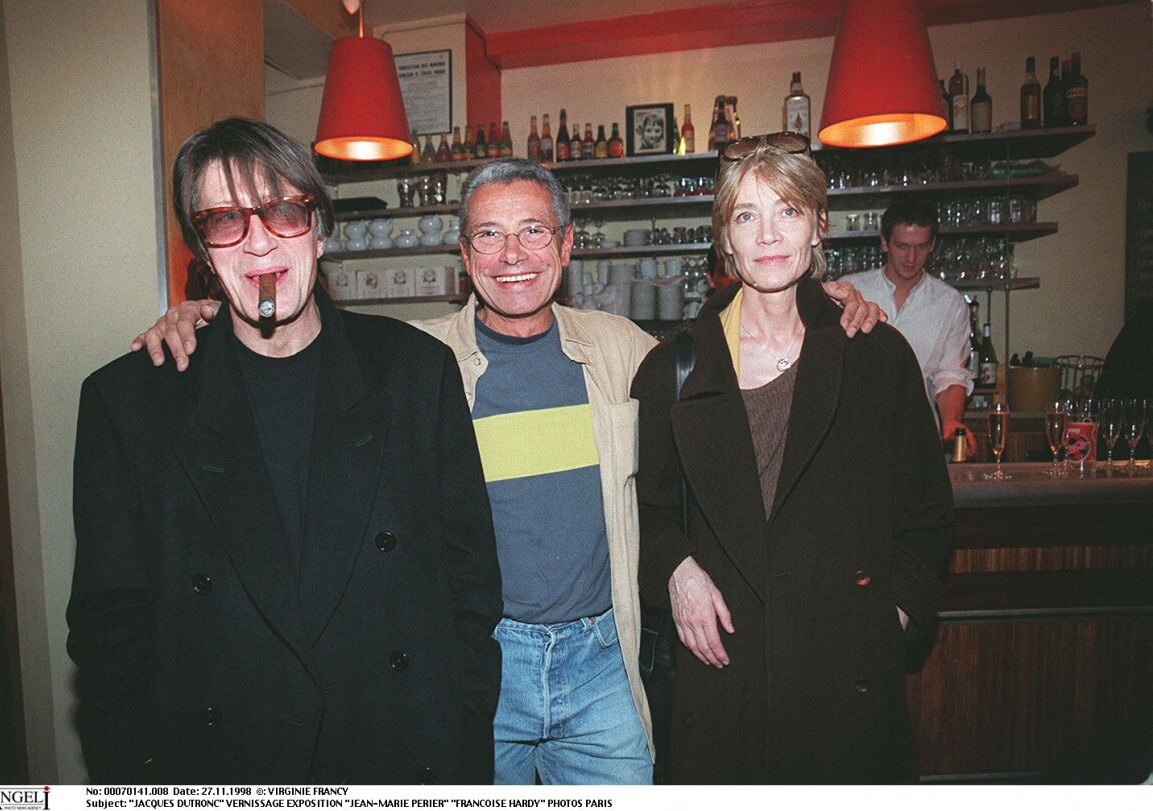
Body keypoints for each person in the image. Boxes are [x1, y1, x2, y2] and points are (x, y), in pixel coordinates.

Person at [133, 158, 883, 784]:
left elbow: (731, 354)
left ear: (566, 246)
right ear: (464, 258)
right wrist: (200, 314)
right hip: (482, 665)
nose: (512, 255)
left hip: (602, 662)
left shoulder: (626, 349)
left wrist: (826, 299)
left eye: (532, 232)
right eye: (488, 236)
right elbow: (290, 340)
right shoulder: (409, 367)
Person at [67, 118, 502, 784]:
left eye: (281, 211)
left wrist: (458, 745)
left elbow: (470, 587)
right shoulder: (130, 403)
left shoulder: (415, 373)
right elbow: (109, 637)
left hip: (395, 759)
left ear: (321, 228)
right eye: (224, 220)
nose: (259, 241)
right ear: (202, 253)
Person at [631, 132, 953, 783]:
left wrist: (889, 620)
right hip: (727, 679)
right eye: (746, 215)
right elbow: (647, 512)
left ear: (817, 226)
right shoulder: (674, 368)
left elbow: (926, 514)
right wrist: (676, 570)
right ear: (725, 237)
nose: (768, 233)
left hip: (843, 676)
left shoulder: (876, 355)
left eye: (788, 210)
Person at [842, 200, 978, 456]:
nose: (911, 258)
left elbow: (950, 375)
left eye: (921, 246)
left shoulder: (950, 303)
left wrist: (951, 421)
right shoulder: (850, 292)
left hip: (917, 440)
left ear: (932, 245)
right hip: (854, 438)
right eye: (902, 246)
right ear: (884, 243)